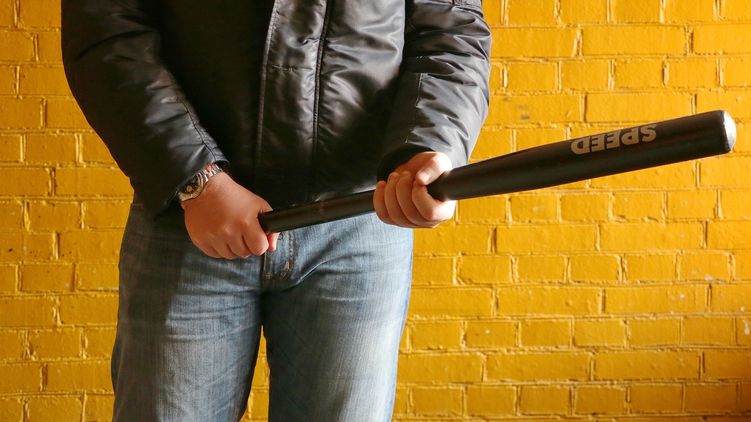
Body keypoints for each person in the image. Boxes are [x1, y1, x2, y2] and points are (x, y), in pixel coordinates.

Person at [61, 1, 490, 421]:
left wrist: (430, 144)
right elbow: (107, 25)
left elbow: (451, 31)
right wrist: (197, 179)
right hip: (192, 219)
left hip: (357, 220)